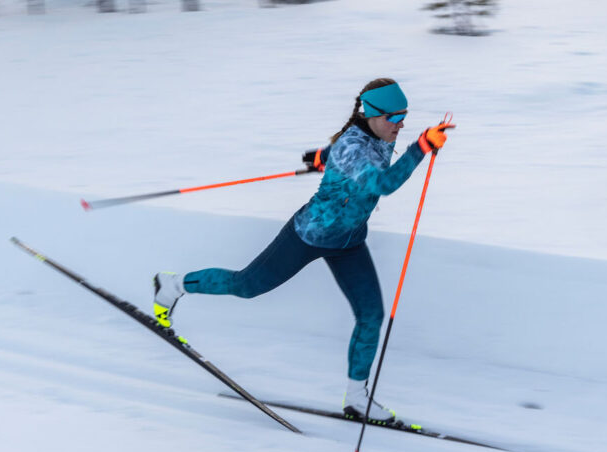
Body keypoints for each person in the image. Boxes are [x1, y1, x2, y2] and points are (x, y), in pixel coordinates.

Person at [151, 78, 454, 423]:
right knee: (246, 285)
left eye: (404, 116)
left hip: (349, 242)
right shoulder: (354, 145)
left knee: (371, 315)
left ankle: (357, 398)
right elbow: (381, 183)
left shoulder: (376, 135)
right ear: (371, 114)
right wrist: (422, 147)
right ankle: (173, 285)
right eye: (393, 117)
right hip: (310, 234)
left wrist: (322, 158)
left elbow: (347, 157)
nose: (400, 125)